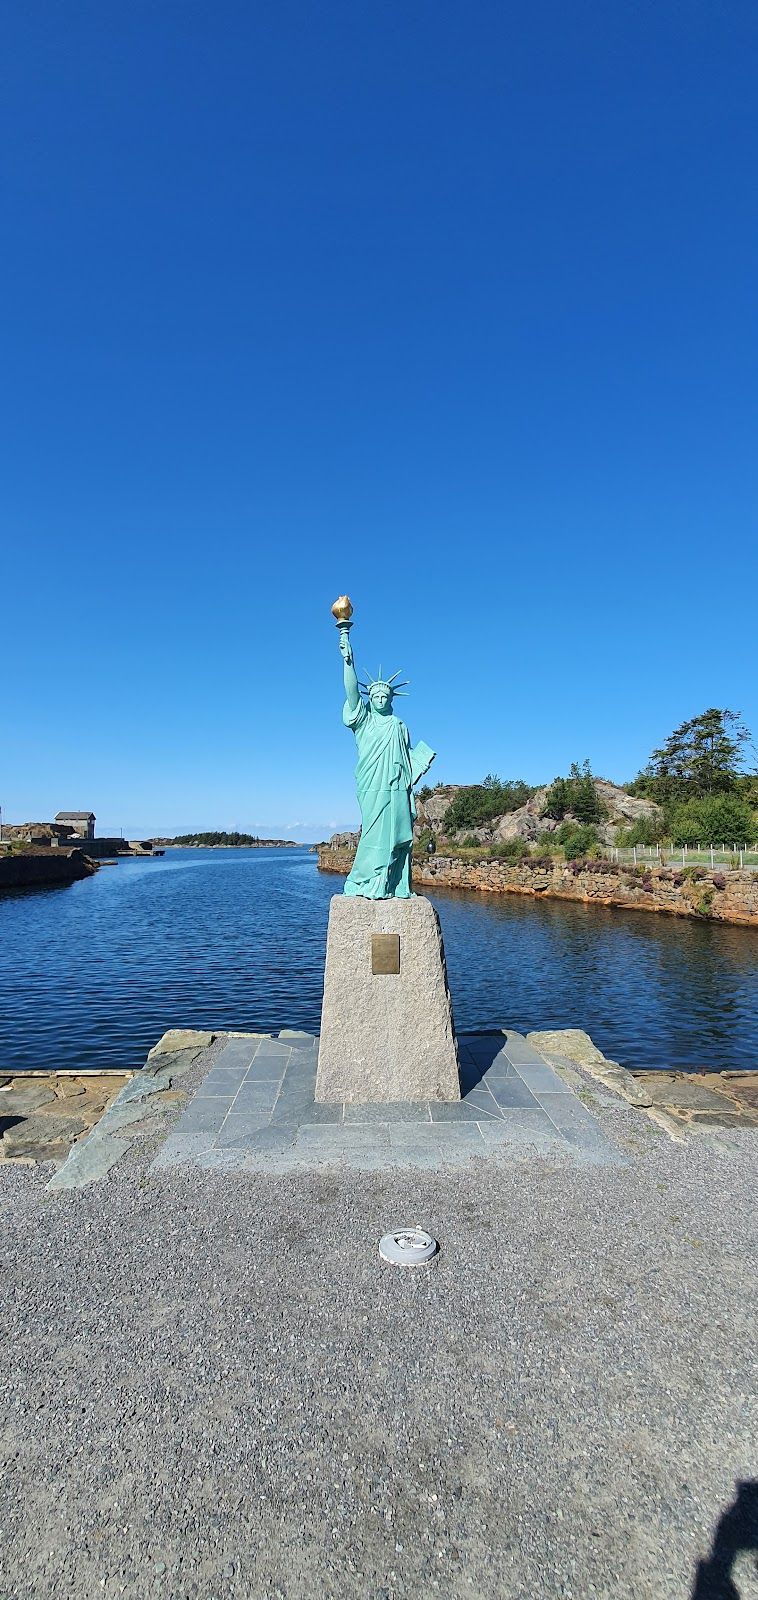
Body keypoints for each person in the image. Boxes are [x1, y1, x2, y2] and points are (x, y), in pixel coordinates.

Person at [338, 627, 435, 898]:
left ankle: (394, 884)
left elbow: (407, 757)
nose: (380, 699)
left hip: (396, 787)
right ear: (370, 698)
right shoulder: (364, 720)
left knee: (397, 837)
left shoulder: (398, 725)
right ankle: (364, 881)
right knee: (372, 834)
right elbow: (351, 692)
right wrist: (348, 661)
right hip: (372, 786)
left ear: (391, 698)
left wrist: (421, 760)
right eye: (376, 696)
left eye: (385, 696)